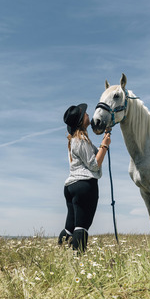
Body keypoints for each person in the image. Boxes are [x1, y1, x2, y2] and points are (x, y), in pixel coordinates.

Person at [58, 103, 111, 252]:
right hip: (84, 186)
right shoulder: (81, 141)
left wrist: (106, 137)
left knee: (70, 227)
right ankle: (78, 260)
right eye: (86, 114)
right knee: (82, 226)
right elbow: (94, 164)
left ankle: (60, 254)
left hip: (70, 186)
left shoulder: (75, 140)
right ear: (82, 121)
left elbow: (96, 152)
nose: (88, 115)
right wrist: (105, 146)